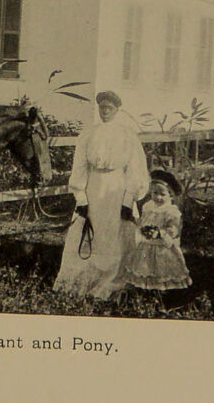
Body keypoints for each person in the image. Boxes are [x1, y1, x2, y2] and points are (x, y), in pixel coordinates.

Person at [53, 90, 150, 300]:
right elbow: (79, 166)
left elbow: (136, 168)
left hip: (117, 188)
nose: (105, 111)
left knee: (114, 235)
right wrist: (81, 197)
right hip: (93, 187)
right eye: (102, 107)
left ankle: (111, 282)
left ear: (117, 110)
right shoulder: (88, 133)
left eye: (109, 108)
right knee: (88, 233)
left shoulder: (127, 135)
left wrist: (128, 199)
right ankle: (82, 279)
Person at [120, 167, 191, 292]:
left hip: (162, 246)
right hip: (146, 245)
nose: (158, 197)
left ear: (171, 196)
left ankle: (162, 290)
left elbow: (174, 229)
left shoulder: (171, 211)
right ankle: (145, 289)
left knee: (161, 269)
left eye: (162, 194)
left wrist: (161, 233)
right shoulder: (148, 206)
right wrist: (135, 221)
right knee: (144, 267)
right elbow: (143, 222)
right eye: (155, 193)